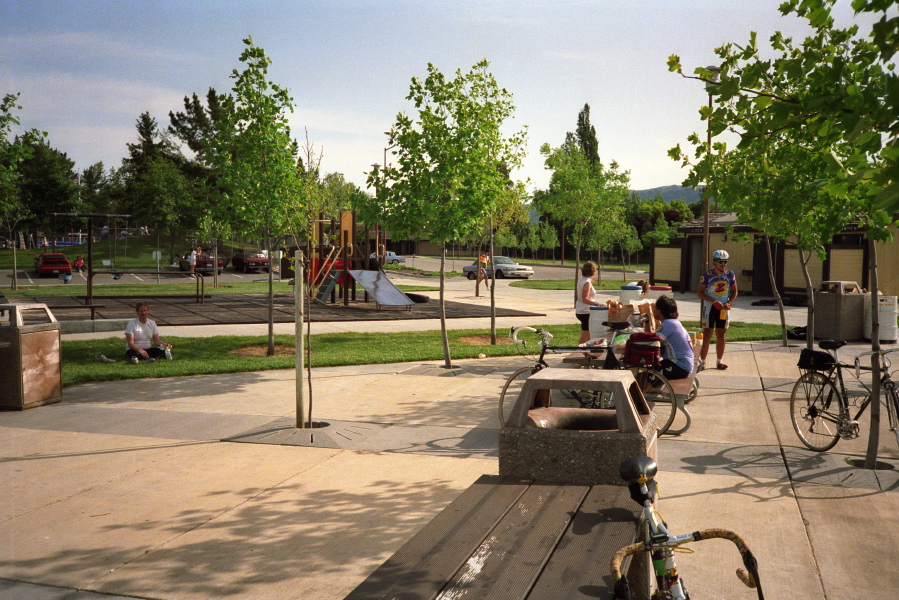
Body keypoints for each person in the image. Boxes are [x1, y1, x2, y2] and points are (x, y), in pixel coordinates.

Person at [696, 249, 738, 370]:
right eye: (720, 262)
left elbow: (734, 291)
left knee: (721, 334)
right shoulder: (706, 275)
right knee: (708, 333)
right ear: (714, 262)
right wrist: (713, 301)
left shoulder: (730, 274)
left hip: (724, 307)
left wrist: (729, 302)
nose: (723, 264)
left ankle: (719, 361)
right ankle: (703, 361)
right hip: (710, 307)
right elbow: (699, 293)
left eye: (725, 261)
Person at [649, 295, 694, 380]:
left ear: (659, 311)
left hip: (678, 365)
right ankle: (642, 392)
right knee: (647, 373)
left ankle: (640, 393)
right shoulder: (673, 322)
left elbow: (653, 342)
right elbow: (652, 339)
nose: (653, 310)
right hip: (682, 364)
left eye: (655, 308)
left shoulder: (668, 323)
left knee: (648, 376)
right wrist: (647, 322)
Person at [575, 261, 604, 344]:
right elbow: (585, 299)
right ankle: (579, 351)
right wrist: (596, 304)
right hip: (585, 311)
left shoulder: (581, 279)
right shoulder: (587, 282)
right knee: (585, 334)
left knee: (588, 335)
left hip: (581, 310)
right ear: (593, 271)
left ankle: (587, 350)